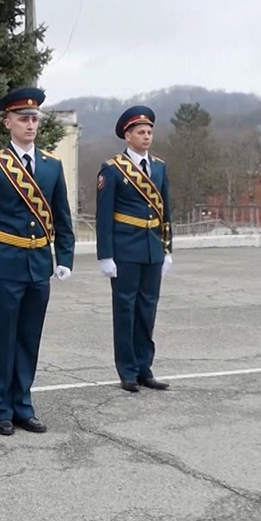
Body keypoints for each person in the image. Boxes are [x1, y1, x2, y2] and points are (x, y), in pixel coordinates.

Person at [0, 87, 74, 436]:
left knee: (29, 338)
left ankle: (23, 406)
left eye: (34, 119)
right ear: (7, 122)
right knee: (4, 338)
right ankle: (1, 408)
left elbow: (62, 216)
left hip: (39, 264)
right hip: (4, 263)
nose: (30, 124)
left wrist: (65, 256)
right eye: (23, 118)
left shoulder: (52, 166)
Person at [95, 105, 173, 394]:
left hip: (152, 249)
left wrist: (167, 249)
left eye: (149, 131)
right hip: (125, 249)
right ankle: (127, 371)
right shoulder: (113, 169)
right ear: (127, 136)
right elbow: (104, 215)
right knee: (125, 311)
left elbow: (166, 211)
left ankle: (144, 369)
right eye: (141, 132)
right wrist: (106, 255)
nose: (146, 136)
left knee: (147, 310)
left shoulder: (160, 167)